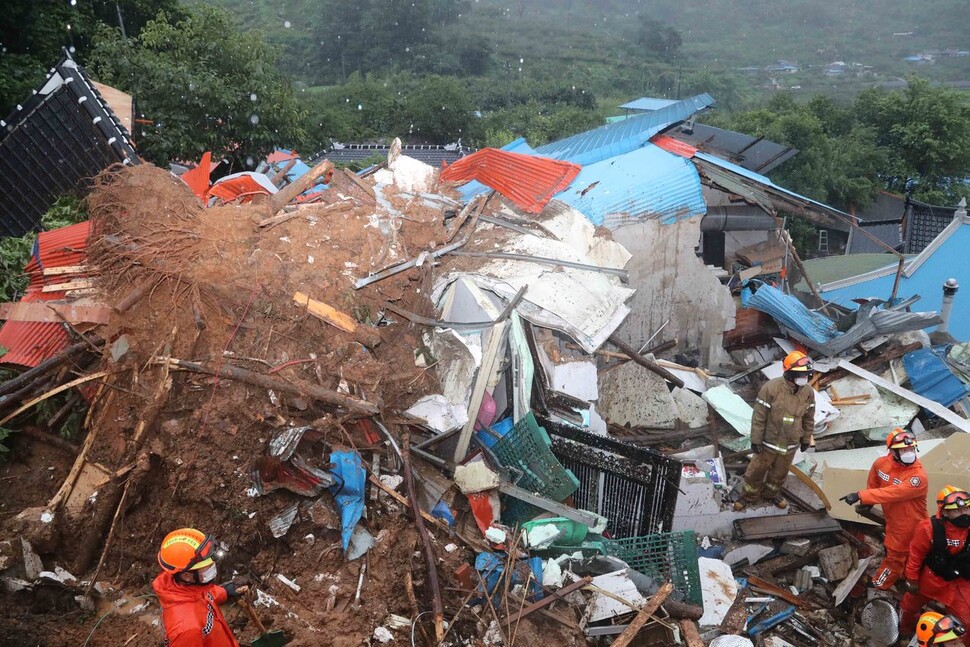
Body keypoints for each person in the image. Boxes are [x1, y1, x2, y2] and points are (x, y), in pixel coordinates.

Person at [839, 429, 928, 590]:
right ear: (893, 451)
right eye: (904, 450)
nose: (909, 453)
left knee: (895, 556)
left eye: (911, 449)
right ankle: (905, 576)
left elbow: (893, 493)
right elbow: (875, 478)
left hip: (909, 525)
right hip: (893, 519)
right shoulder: (882, 464)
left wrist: (862, 495)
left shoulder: (917, 478)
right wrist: (869, 500)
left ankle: (881, 583)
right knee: (905, 554)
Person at [733, 350, 815, 511]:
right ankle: (748, 496)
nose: (804, 378)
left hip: (790, 444)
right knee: (756, 471)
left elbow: (809, 417)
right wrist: (755, 440)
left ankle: (771, 494)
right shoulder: (771, 388)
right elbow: (759, 416)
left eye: (807, 374)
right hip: (768, 442)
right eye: (801, 374)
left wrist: (806, 438)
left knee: (779, 474)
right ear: (789, 373)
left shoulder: (808, 392)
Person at [153, 528, 248, 647]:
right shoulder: (186, 630)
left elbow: (202, 597)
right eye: (207, 566)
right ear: (187, 576)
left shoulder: (179, 587)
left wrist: (224, 592)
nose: (213, 567)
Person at [902, 488, 970, 647]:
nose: (964, 514)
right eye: (957, 510)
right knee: (909, 607)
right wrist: (911, 579)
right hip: (932, 579)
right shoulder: (928, 528)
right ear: (945, 512)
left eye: (966, 509)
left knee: (966, 621)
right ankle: (906, 630)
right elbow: (916, 554)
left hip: (959, 582)